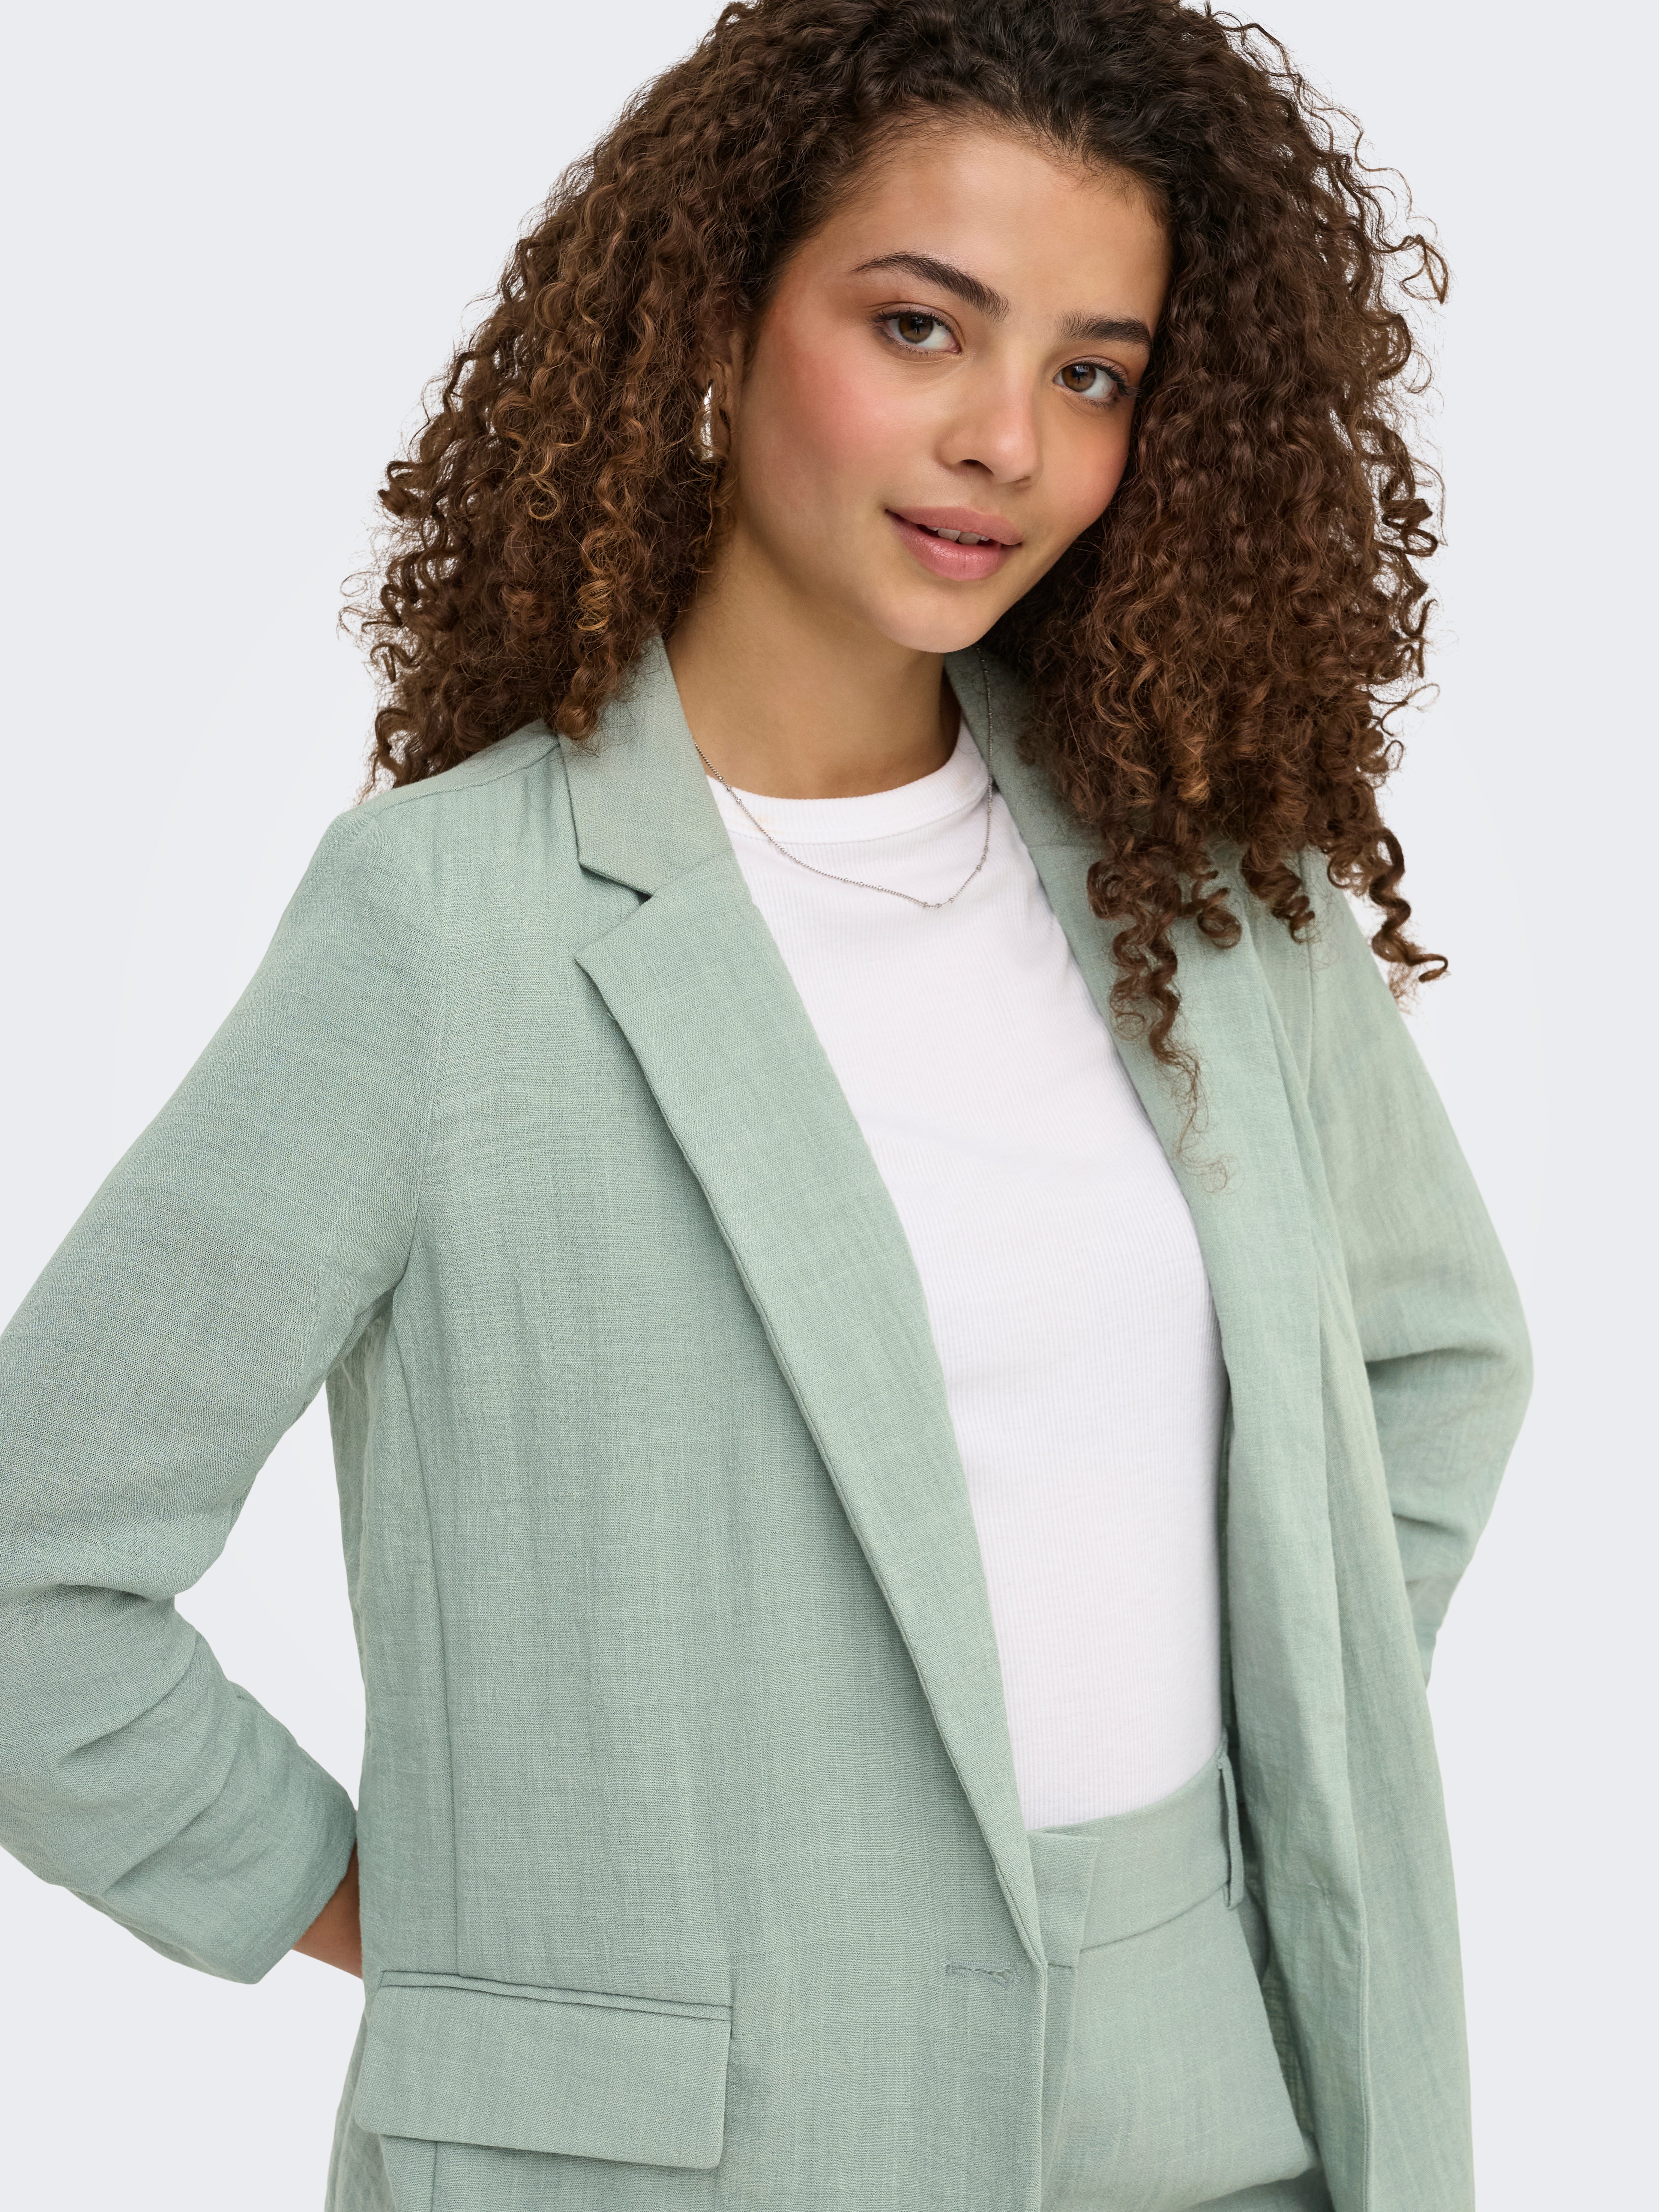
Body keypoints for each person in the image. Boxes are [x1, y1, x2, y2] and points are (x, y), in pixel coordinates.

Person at [0, 2, 1531, 2207]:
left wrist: (1300, 1740)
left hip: (1228, 2120)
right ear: (720, 318)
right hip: (691, 2158)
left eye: (1092, 373)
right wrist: (408, 1926)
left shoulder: (1200, 893)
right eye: (921, 326)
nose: (1004, 440)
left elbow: (1429, 1358)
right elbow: (35, 1572)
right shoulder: (450, 928)